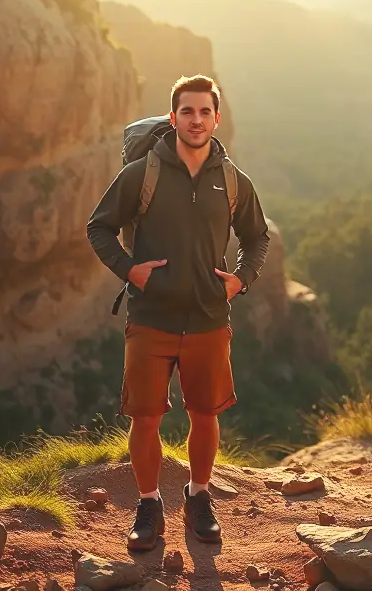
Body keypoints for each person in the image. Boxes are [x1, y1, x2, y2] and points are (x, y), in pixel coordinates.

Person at [86, 74, 269, 549]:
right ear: (173, 118)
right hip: (151, 319)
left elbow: (257, 237)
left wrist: (242, 280)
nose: (196, 119)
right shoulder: (142, 173)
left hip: (209, 318)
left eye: (204, 111)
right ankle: (148, 506)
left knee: (205, 414)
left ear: (216, 118)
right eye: (187, 111)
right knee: (144, 418)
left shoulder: (231, 180)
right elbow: (99, 227)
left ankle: (199, 497)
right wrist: (130, 271)